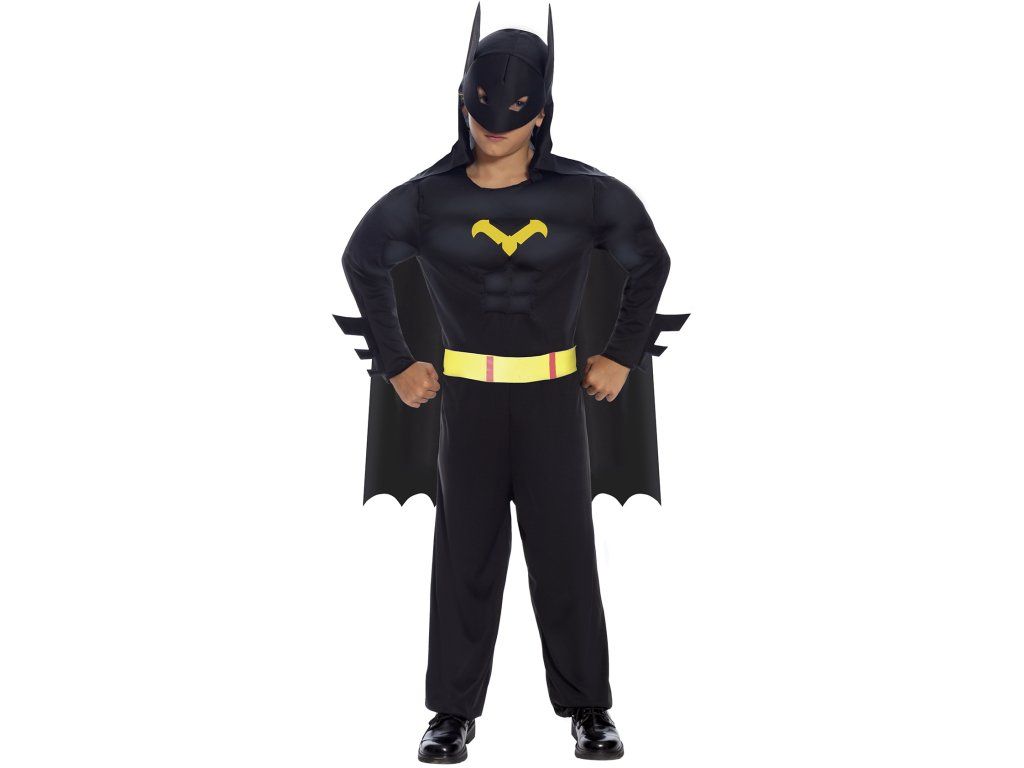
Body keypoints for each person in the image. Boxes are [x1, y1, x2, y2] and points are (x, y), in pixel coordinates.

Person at [334, 4, 687, 762]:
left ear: (543, 112)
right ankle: (451, 713)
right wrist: (396, 361)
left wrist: (622, 353)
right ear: (463, 102)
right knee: (465, 554)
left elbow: (650, 263)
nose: (495, 125)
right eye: (482, 107)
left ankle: (588, 706)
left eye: (515, 110)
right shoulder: (427, 200)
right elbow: (361, 259)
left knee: (566, 553)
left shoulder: (588, 196)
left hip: (555, 398)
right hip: (466, 399)